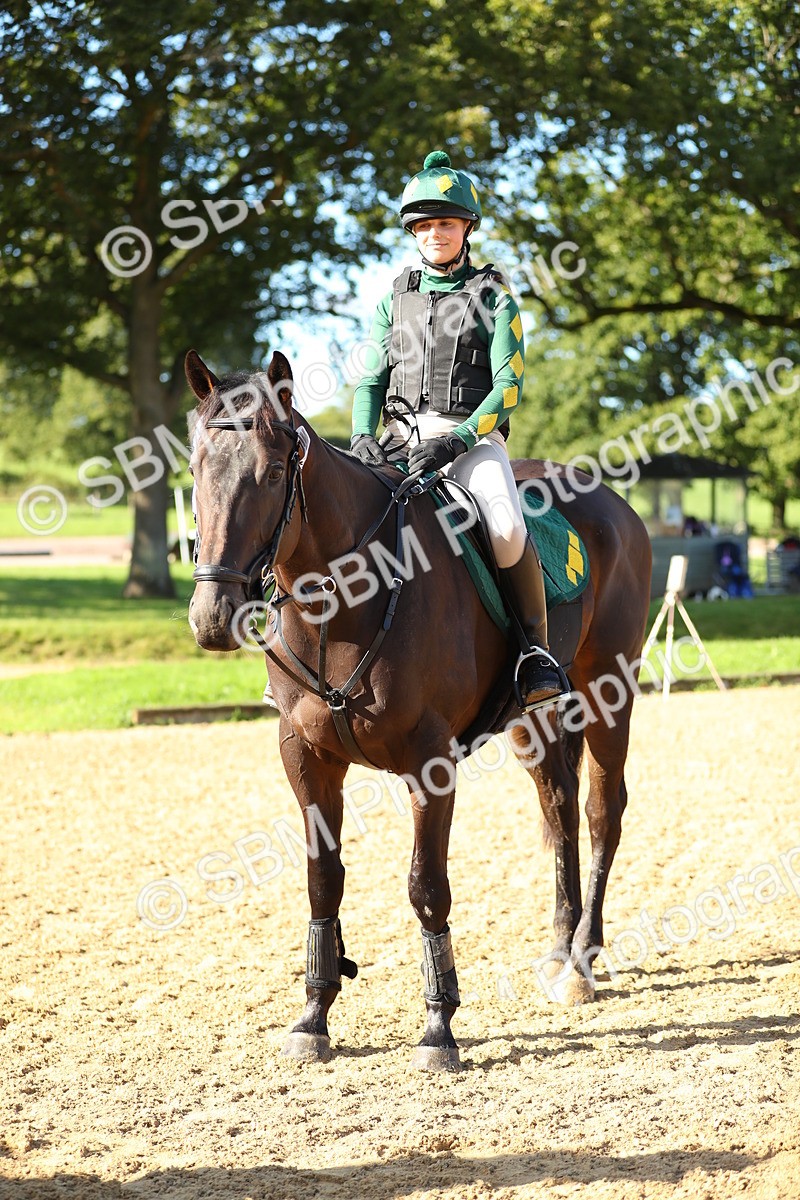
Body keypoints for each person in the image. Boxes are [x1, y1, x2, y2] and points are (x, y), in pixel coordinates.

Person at [349, 150, 568, 711]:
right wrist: (360, 436)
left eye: (445, 222)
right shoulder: (390, 302)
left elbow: (508, 388)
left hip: (469, 441)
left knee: (505, 524)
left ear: (467, 227)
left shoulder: (497, 300)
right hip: (398, 443)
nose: (434, 234)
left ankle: (534, 652)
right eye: (423, 225)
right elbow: (370, 380)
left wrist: (460, 439)